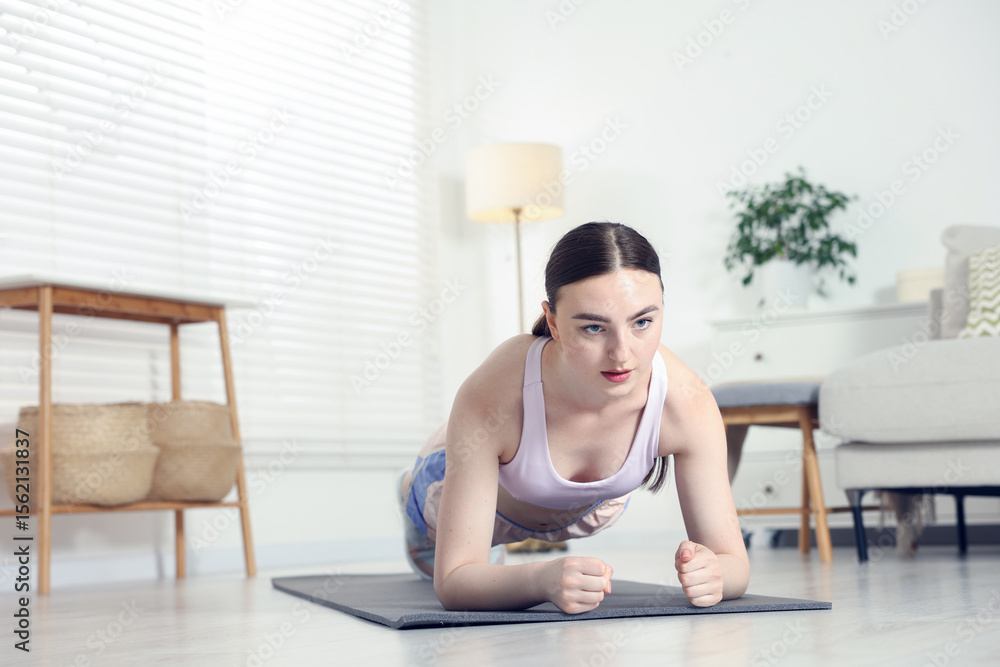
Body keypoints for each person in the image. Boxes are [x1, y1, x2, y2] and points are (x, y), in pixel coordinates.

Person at [399, 221, 749, 614]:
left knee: (492, 577)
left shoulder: (687, 403)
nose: (622, 354)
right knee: (452, 563)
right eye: (594, 327)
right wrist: (539, 580)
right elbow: (454, 582)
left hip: (584, 514)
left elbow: (734, 563)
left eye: (642, 322)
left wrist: (716, 572)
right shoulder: (495, 393)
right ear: (553, 322)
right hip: (455, 491)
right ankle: (408, 490)